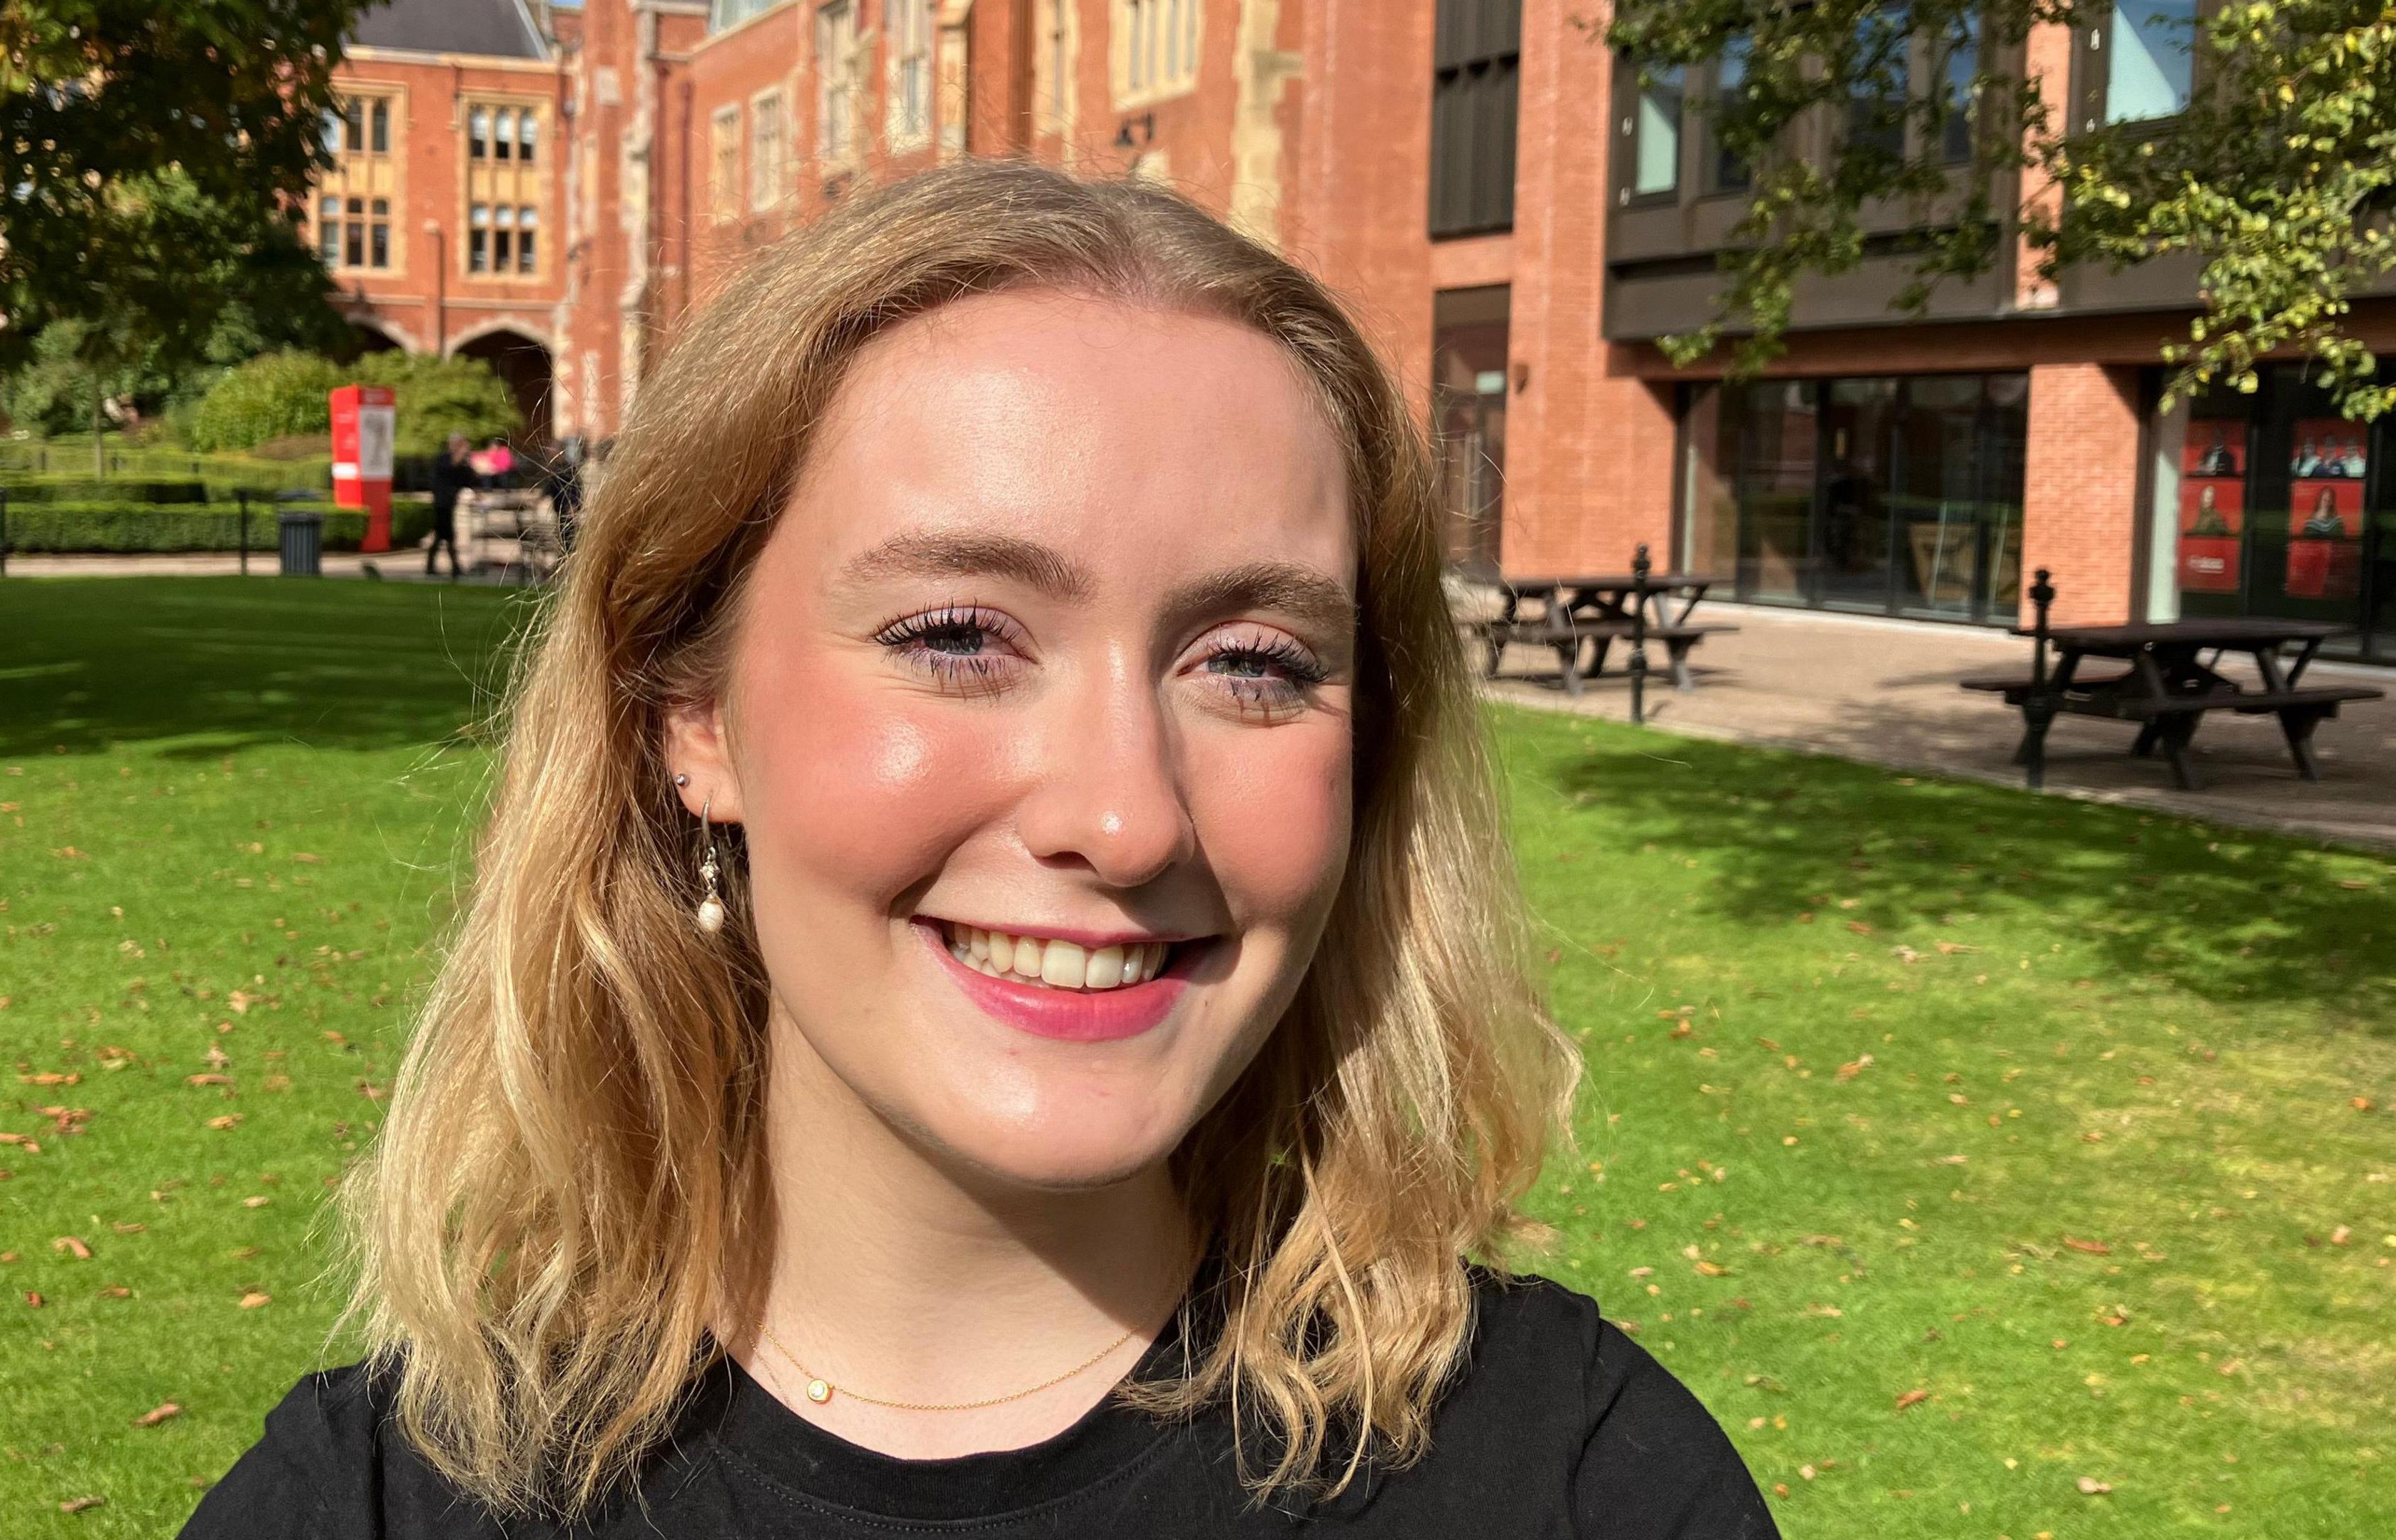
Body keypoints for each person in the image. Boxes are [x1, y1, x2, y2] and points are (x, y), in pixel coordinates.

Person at [183, 162, 1776, 1539]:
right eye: (958, 633)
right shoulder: (381, 1496)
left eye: (1251, 659)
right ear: (692, 715)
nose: (1127, 811)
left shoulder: (1583, 1481)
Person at [425, 432, 474, 577]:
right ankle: (454, 568)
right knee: (447, 536)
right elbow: (451, 466)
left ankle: (445, 567)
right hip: (442, 502)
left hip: (450, 502)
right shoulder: (444, 459)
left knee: (443, 536)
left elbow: (467, 477)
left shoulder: (461, 462)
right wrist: (461, 453)